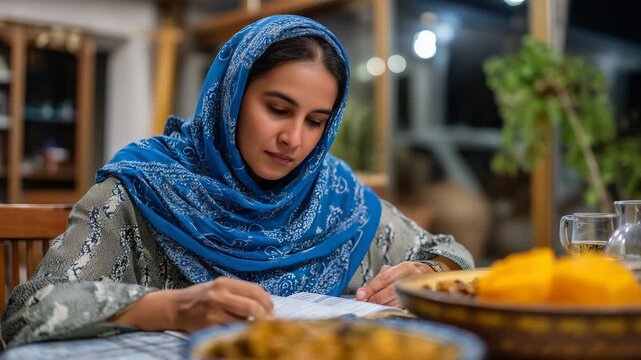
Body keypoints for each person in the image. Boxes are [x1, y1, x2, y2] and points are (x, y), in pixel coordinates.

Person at [0, 15, 473, 347]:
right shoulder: (141, 190)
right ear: (230, 93)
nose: (294, 139)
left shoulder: (334, 195)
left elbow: (452, 252)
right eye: (278, 109)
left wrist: (428, 272)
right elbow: (28, 312)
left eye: (316, 122)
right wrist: (169, 309)